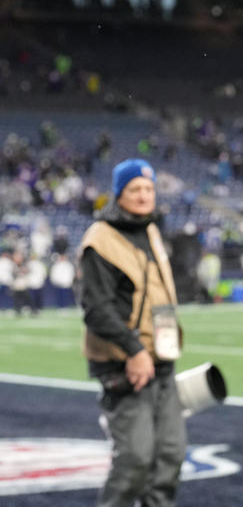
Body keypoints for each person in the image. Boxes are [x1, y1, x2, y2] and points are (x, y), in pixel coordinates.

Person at [77, 159, 186, 507]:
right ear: (119, 193)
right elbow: (96, 309)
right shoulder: (101, 239)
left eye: (149, 188)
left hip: (162, 362)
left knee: (169, 457)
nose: (143, 196)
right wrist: (134, 351)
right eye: (135, 189)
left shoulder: (151, 229)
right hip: (125, 365)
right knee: (135, 461)